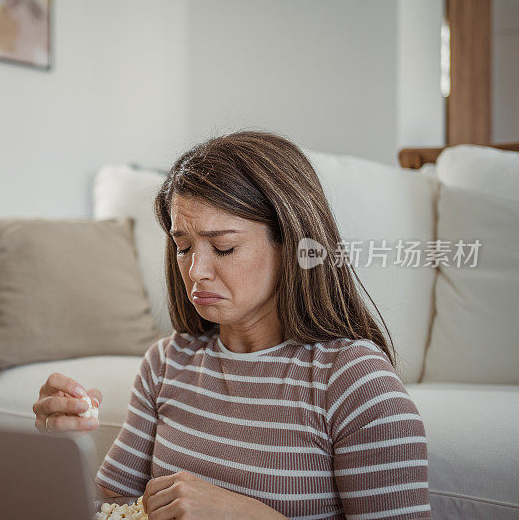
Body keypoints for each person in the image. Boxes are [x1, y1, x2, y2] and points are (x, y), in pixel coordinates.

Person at [32, 131, 430, 519]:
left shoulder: (355, 382)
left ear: (290, 242)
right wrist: (59, 449)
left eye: (224, 247)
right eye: (183, 247)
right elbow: (112, 507)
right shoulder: (167, 363)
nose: (195, 271)